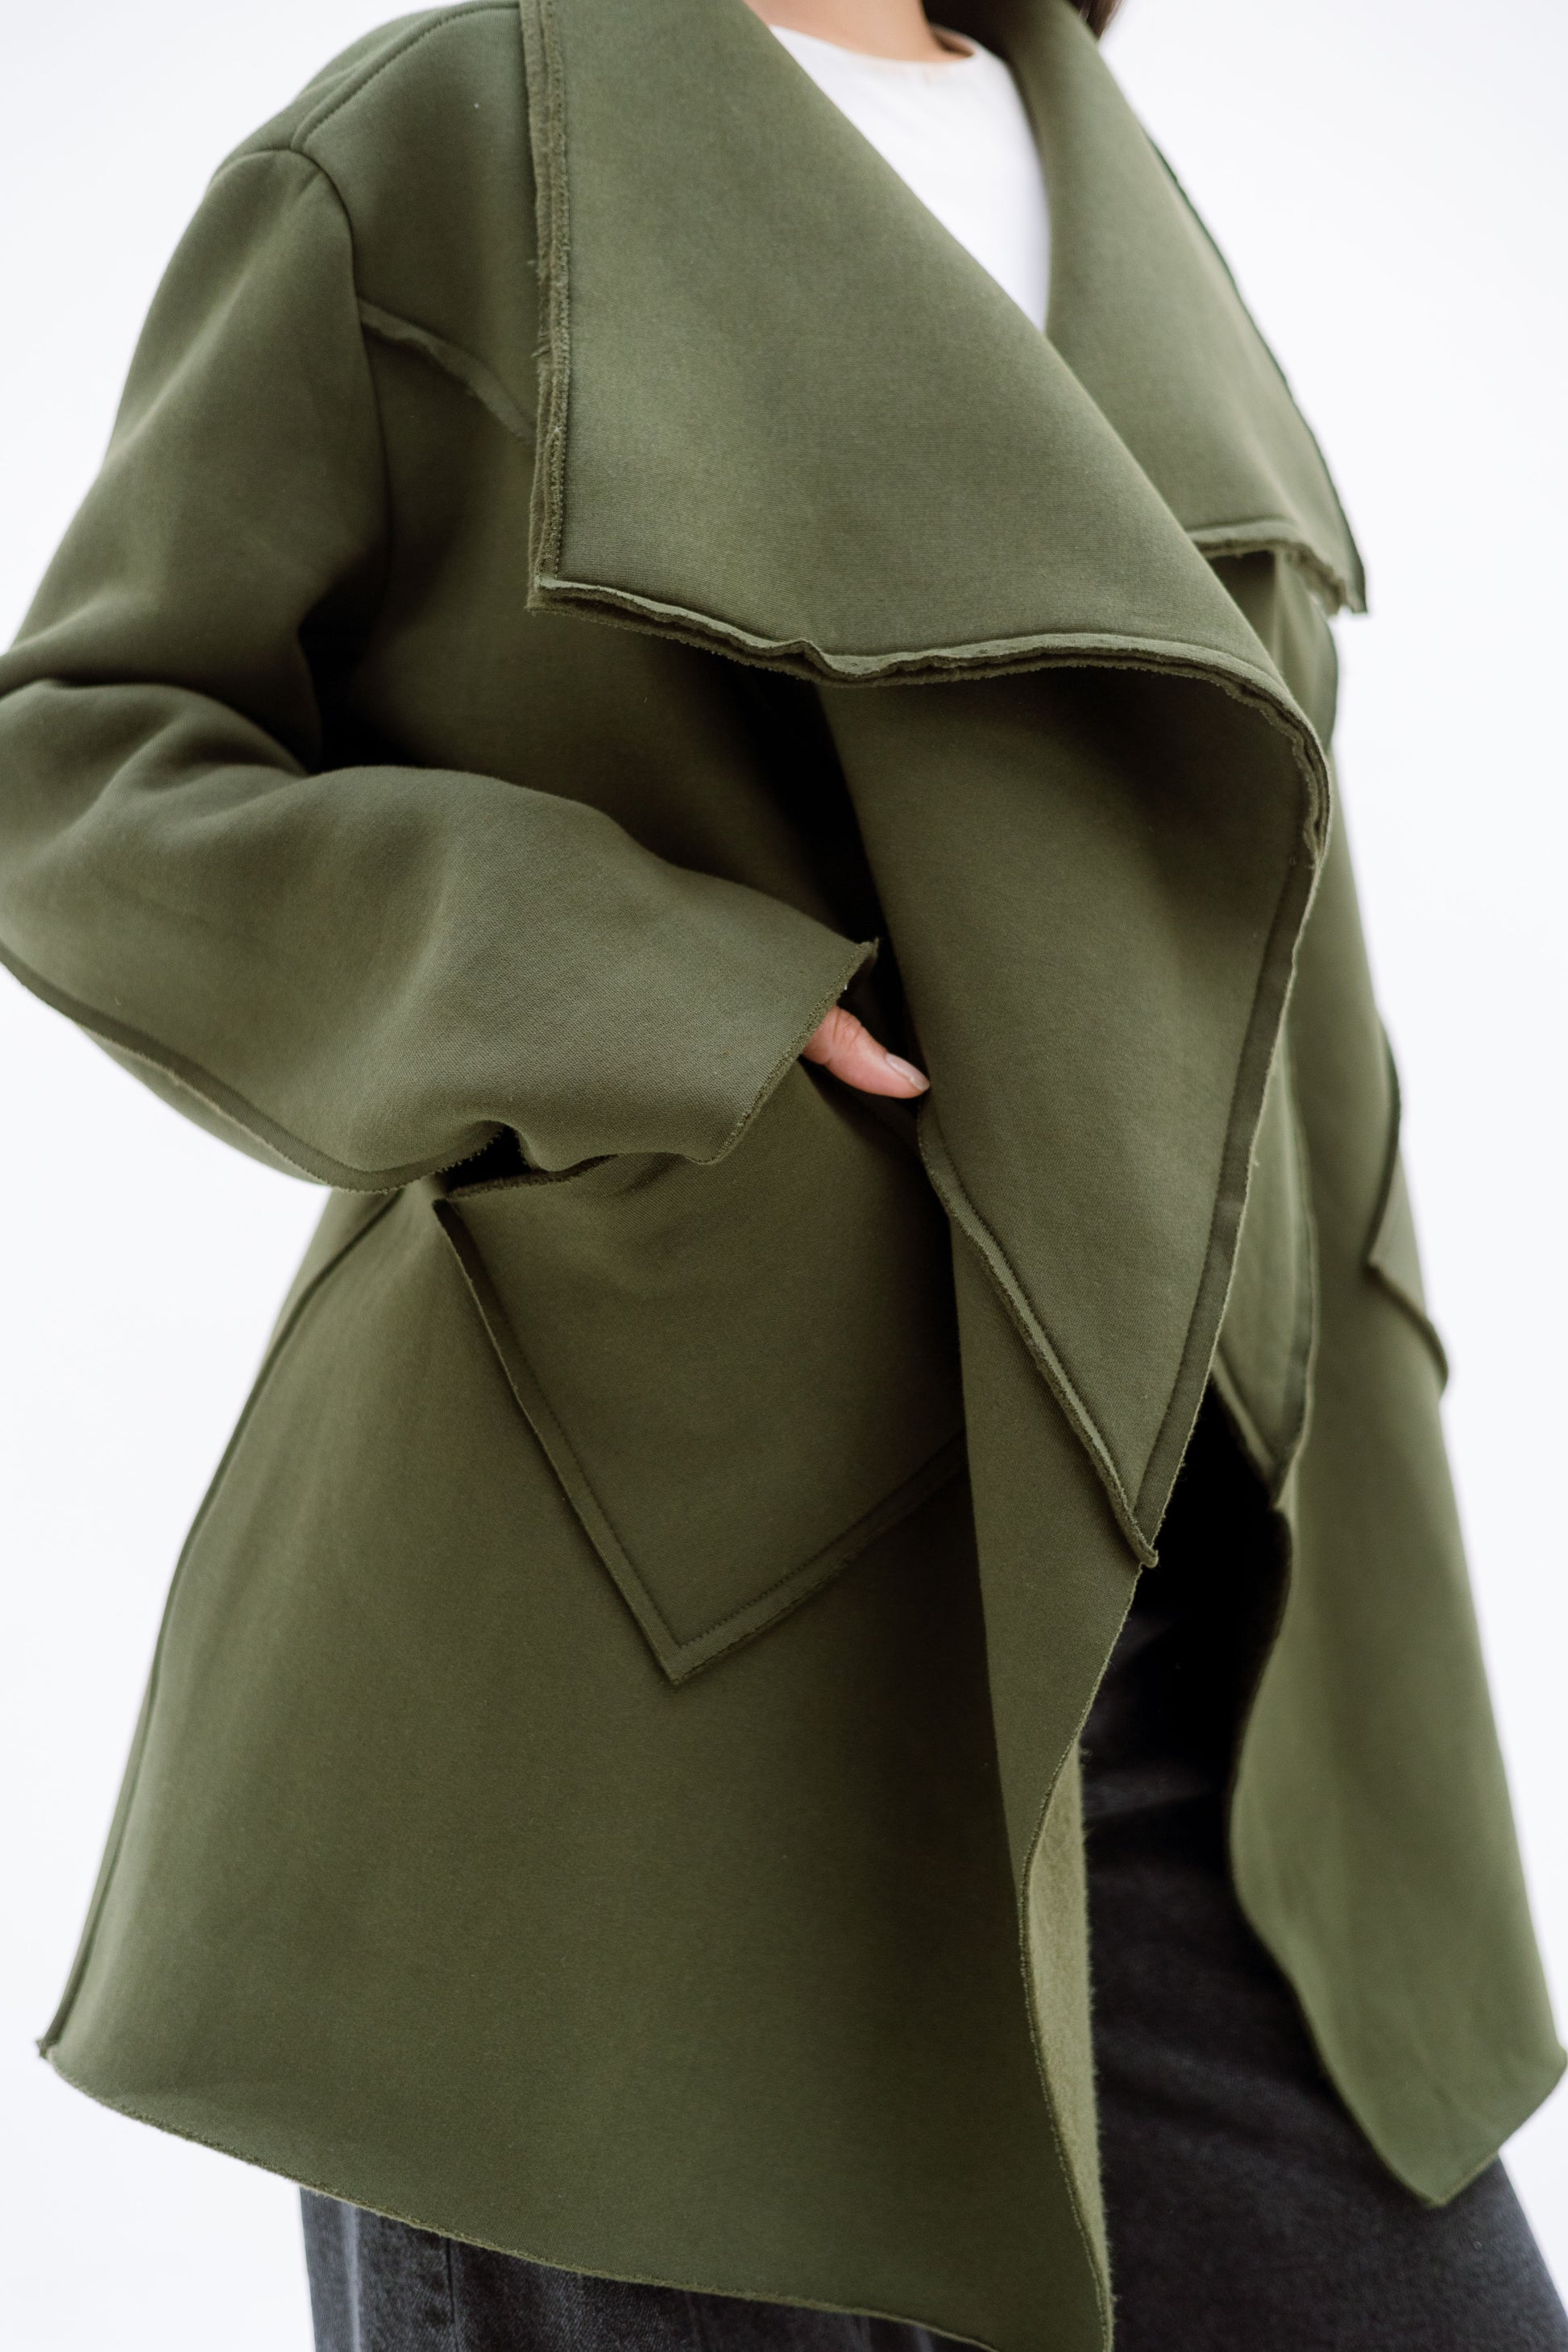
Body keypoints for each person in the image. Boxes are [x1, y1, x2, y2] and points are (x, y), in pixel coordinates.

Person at [1, 1, 1563, 2346]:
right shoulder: (454, 132)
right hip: (641, 1637)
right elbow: (79, 768)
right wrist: (642, 995)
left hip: (1181, 1658)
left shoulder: (1083, 144)